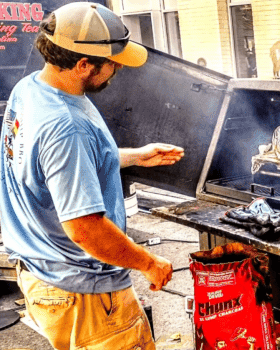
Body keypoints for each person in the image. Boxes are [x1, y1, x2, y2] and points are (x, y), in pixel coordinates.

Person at [0, 3, 185, 349]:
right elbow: (85, 229)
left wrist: (132, 157)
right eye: (112, 61)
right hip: (84, 294)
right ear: (83, 64)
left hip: (42, 271)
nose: (117, 68)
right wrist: (148, 263)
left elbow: (47, 167)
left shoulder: (30, 89)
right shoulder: (65, 126)